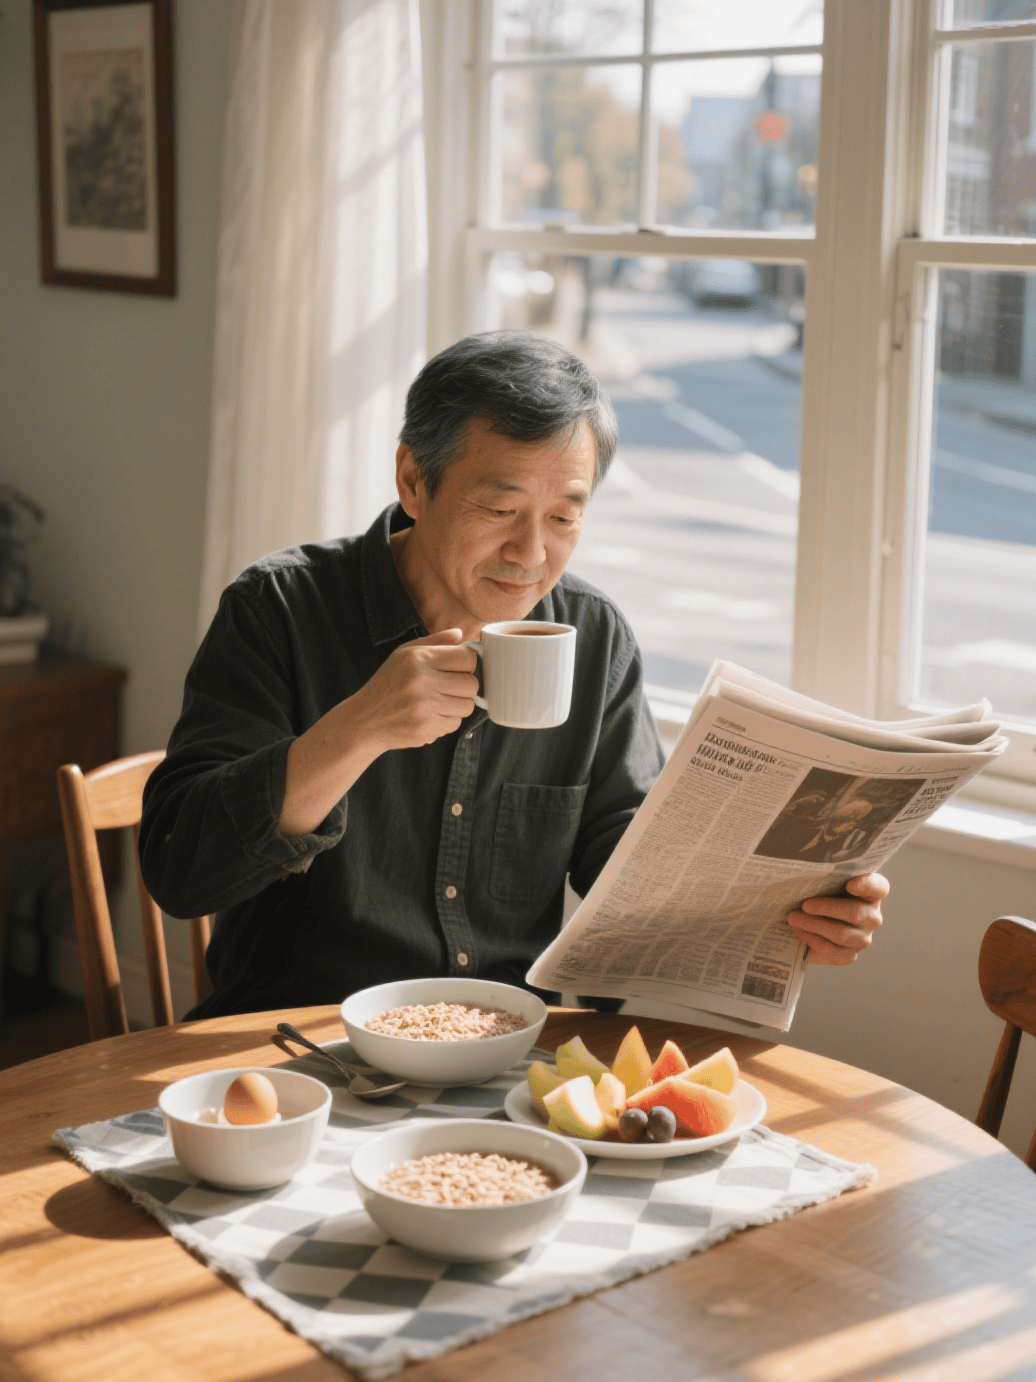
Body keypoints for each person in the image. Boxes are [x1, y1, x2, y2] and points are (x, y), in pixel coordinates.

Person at [140, 332, 888, 1018]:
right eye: (500, 508)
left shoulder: (593, 636)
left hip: (506, 1058)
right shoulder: (278, 609)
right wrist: (358, 727)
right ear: (413, 480)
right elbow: (181, 871)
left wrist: (789, 915)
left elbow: (626, 870)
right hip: (301, 1047)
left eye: (565, 518)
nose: (531, 554)